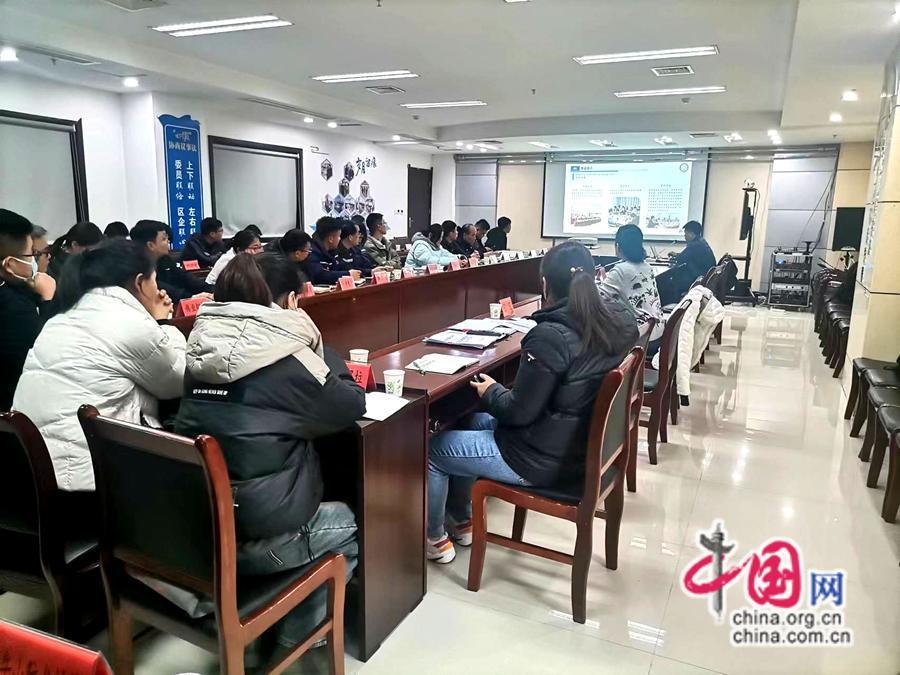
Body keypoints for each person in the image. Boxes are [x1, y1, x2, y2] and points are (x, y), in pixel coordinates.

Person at [175, 253, 364, 655]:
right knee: (355, 523)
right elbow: (351, 404)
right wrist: (315, 345)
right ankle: (295, 639)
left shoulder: (200, 349)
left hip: (198, 528)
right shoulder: (289, 360)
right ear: (291, 301)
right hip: (259, 539)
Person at [425, 241, 638, 563]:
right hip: (575, 446)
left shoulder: (551, 335)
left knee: (433, 451)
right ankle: (462, 520)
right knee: (470, 421)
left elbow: (518, 412)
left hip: (539, 459)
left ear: (545, 284)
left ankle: (434, 539)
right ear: (595, 275)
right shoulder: (618, 320)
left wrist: (492, 391)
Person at [13, 239, 186, 491]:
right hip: (91, 482)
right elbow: (177, 380)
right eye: (155, 281)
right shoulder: (128, 321)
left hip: (35, 474)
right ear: (139, 282)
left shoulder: (63, 317)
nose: (158, 289)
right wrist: (162, 324)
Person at [0, 210, 56, 410]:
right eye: (32, 254)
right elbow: (46, 356)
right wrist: (47, 300)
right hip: (16, 412)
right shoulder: (14, 308)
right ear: (10, 264)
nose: (36, 260)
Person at [601, 225, 665, 352]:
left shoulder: (620, 270)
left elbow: (597, 298)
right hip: (657, 331)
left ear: (618, 246)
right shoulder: (647, 267)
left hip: (640, 338)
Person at [130, 220, 212, 302]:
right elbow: (159, 287)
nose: (168, 242)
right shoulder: (136, 267)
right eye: (164, 239)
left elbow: (184, 277)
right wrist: (190, 297)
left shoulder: (165, 259)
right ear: (151, 245)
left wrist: (210, 290)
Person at [305, 217, 360, 284]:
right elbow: (320, 275)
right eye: (339, 236)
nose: (340, 239)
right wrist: (347, 274)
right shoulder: (311, 252)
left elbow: (342, 267)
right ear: (330, 239)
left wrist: (362, 272)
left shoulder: (332, 251)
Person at [674, 220, 716, 285]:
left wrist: (675, 255)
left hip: (700, 279)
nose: (684, 236)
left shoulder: (695, 244)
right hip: (705, 276)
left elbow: (681, 258)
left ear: (691, 234)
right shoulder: (701, 241)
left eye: (686, 233)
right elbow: (686, 255)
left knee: (673, 278)